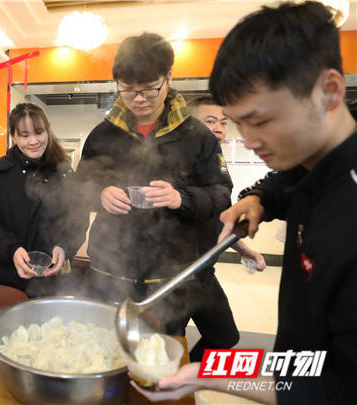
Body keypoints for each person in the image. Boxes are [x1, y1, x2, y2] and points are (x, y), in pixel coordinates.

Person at [134, 2, 357, 404]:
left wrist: (209, 374)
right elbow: (301, 364)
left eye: (261, 121)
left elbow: (336, 387)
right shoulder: (312, 162)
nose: (248, 142)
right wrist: (258, 198)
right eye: (238, 123)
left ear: (329, 92)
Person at [74, 33, 236, 353]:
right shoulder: (102, 135)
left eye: (149, 88)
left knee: (161, 352)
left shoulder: (197, 135)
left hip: (169, 277)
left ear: (169, 76)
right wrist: (100, 194)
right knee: (109, 348)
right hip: (110, 270)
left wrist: (181, 198)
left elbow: (222, 193)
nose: (139, 99)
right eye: (128, 90)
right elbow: (79, 186)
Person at [0, 103, 78, 297]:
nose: (34, 141)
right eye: (25, 135)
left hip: (51, 278)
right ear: (13, 136)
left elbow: (78, 218)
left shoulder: (64, 173)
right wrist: (12, 250)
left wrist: (64, 246)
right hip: (5, 277)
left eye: (39, 132)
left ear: (48, 131)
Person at [189, 95, 267, 270]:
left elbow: (217, 217)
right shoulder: (180, 166)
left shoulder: (215, 162)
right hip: (180, 268)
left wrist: (243, 250)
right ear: (187, 125)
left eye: (223, 123)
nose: (219, 129)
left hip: (203, 265)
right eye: (210, 121)